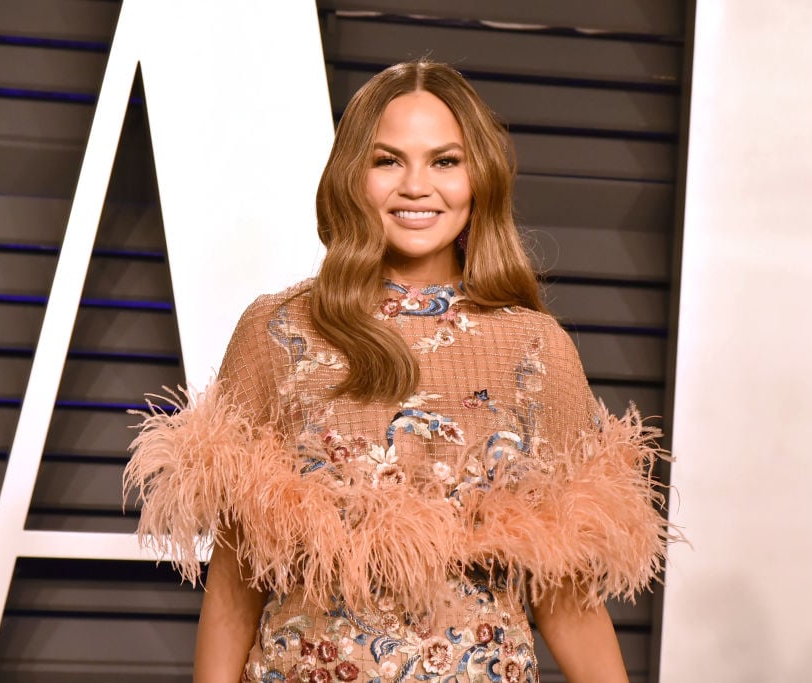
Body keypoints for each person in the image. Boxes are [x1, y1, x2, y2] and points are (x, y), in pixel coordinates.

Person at [124, 60, 669, 683]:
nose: (416, 186)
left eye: (445, 161)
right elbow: (234, 577)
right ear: (352, 176)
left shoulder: (535, 349)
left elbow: (567, 598)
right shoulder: (277, 332)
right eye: (388, 160)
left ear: (480, 178)